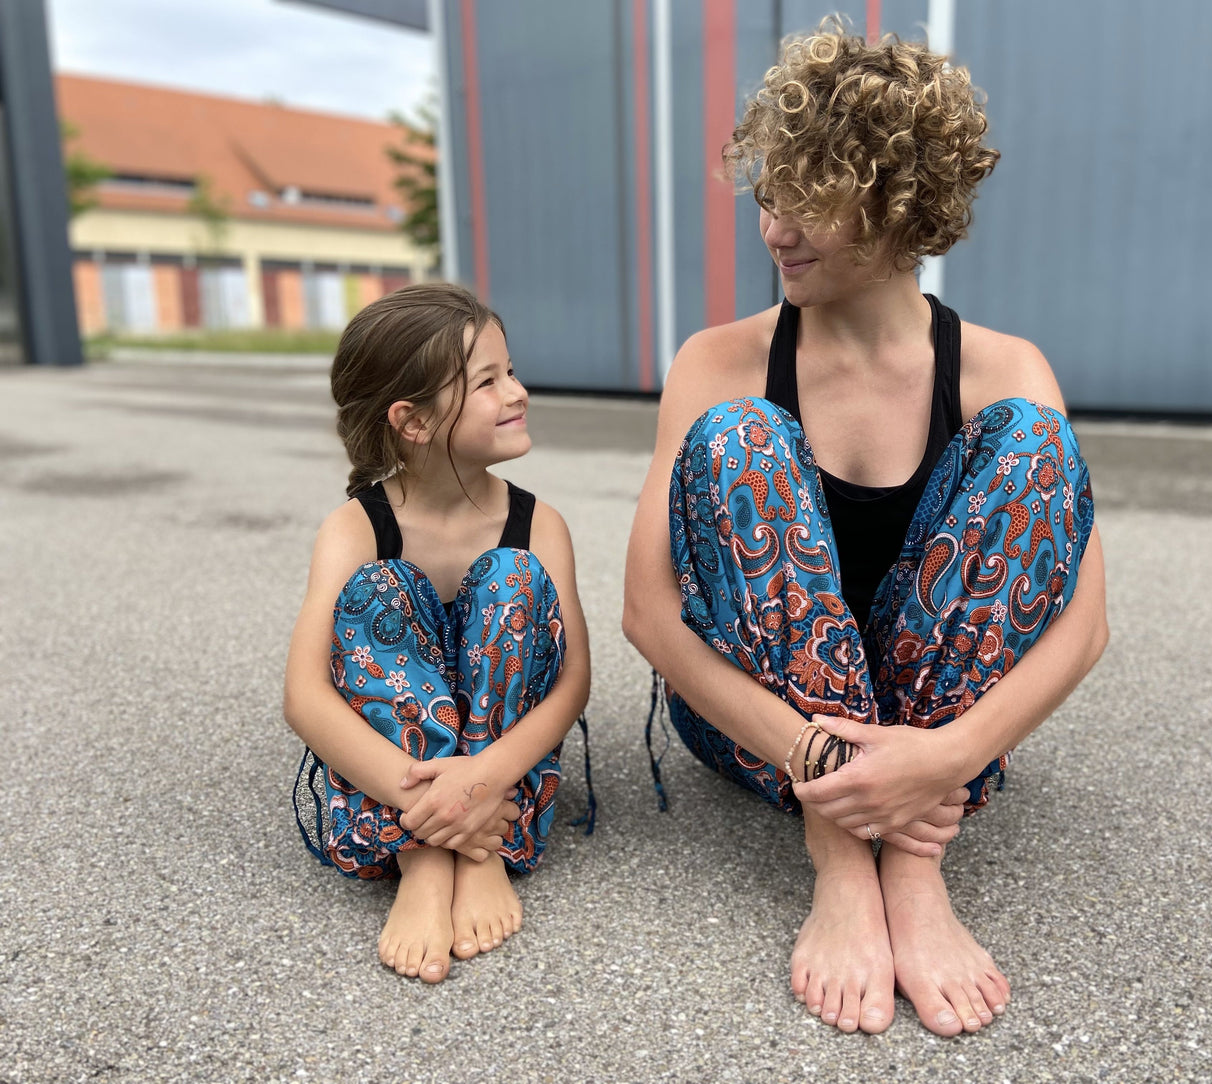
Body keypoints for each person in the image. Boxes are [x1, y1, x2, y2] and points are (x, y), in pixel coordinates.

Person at [623, 20, 1107, 1037]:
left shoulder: (1001, 367)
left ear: (897, 203)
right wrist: (830, 773)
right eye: (767, 194)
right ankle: (843, 863)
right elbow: (649, 613)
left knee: (1032, 445)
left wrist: (946, 758)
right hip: (762, 726)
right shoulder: (717, 359)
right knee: (742, 437)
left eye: (810, 198)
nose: (774, 228)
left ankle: (915, 869)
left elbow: (1083, 624)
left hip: (943, 734)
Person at [286, 283, 590, 984]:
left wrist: (479, 781)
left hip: (501, 780)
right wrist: (428, 805)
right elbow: (304, 696)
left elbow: (573, 680)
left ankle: (480, 853)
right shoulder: (356, 527)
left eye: (509, 370)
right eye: (487, 380)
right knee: (377, 592)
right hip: (395, 784)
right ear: (413, 422)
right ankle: (421, 859)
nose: (516, 391)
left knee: (513, 577)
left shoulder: (539, 525)